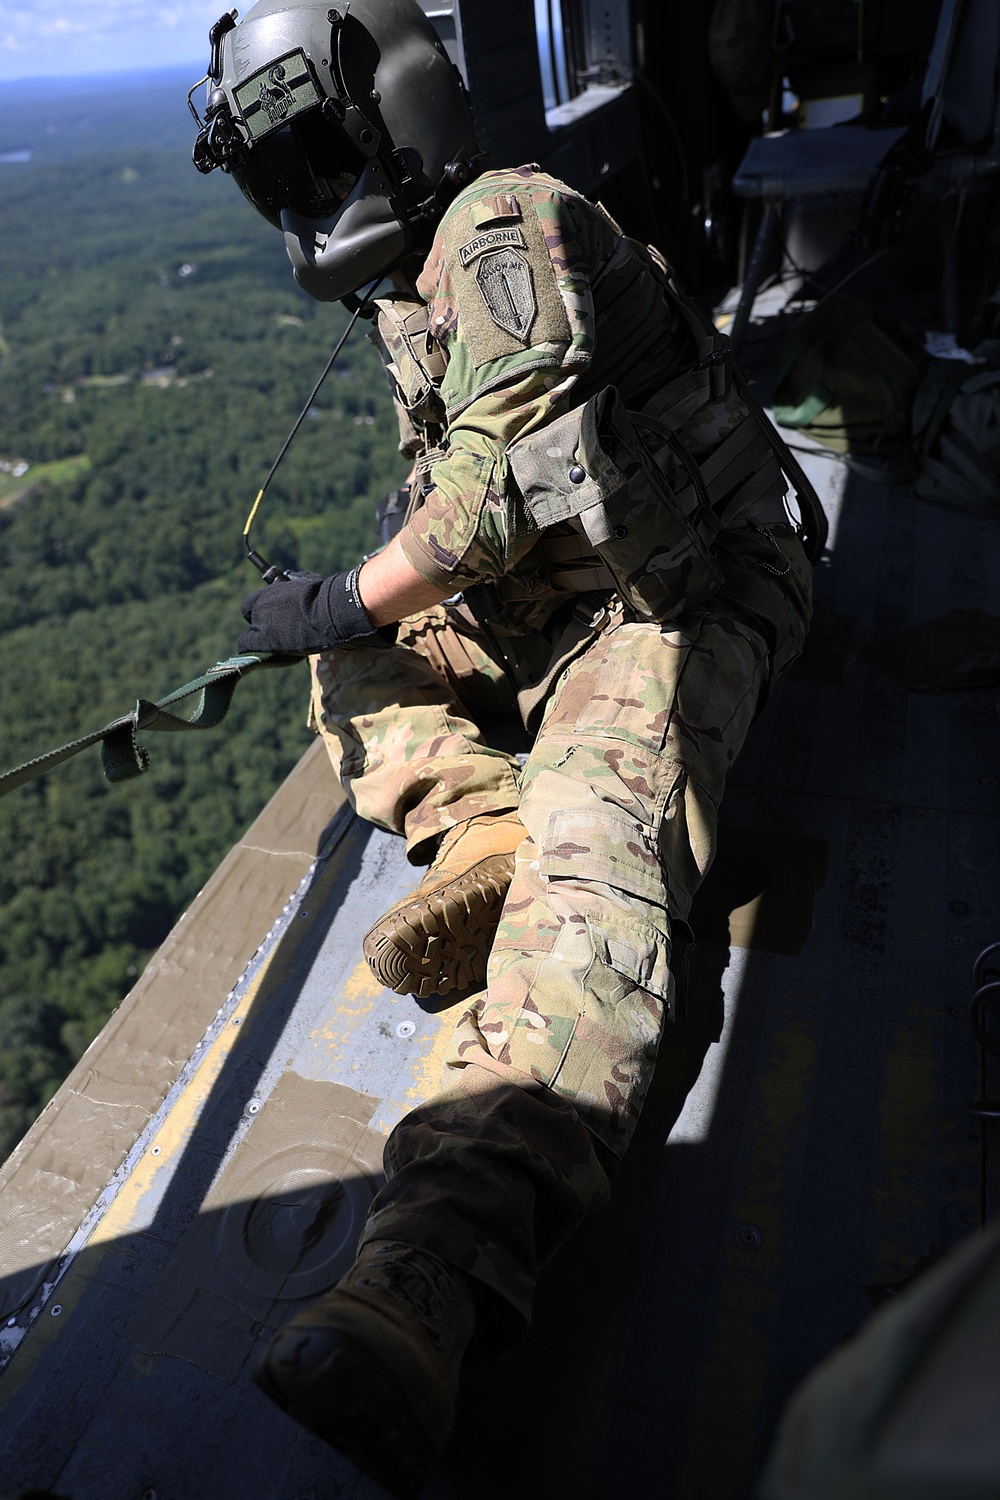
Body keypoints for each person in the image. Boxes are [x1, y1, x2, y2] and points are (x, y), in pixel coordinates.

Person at [192, 2, 814, 1495]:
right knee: (348, 660)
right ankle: (482, 841)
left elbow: (479, 514)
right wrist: (342, 618)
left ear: (386, 111)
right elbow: (463, 546)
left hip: (673, 601)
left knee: (600, 858)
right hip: (546, 610)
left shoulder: (502, 224)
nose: (303, 188)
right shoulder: (414, 280)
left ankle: (433, 1267)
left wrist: (343, 592)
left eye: (310, 147)